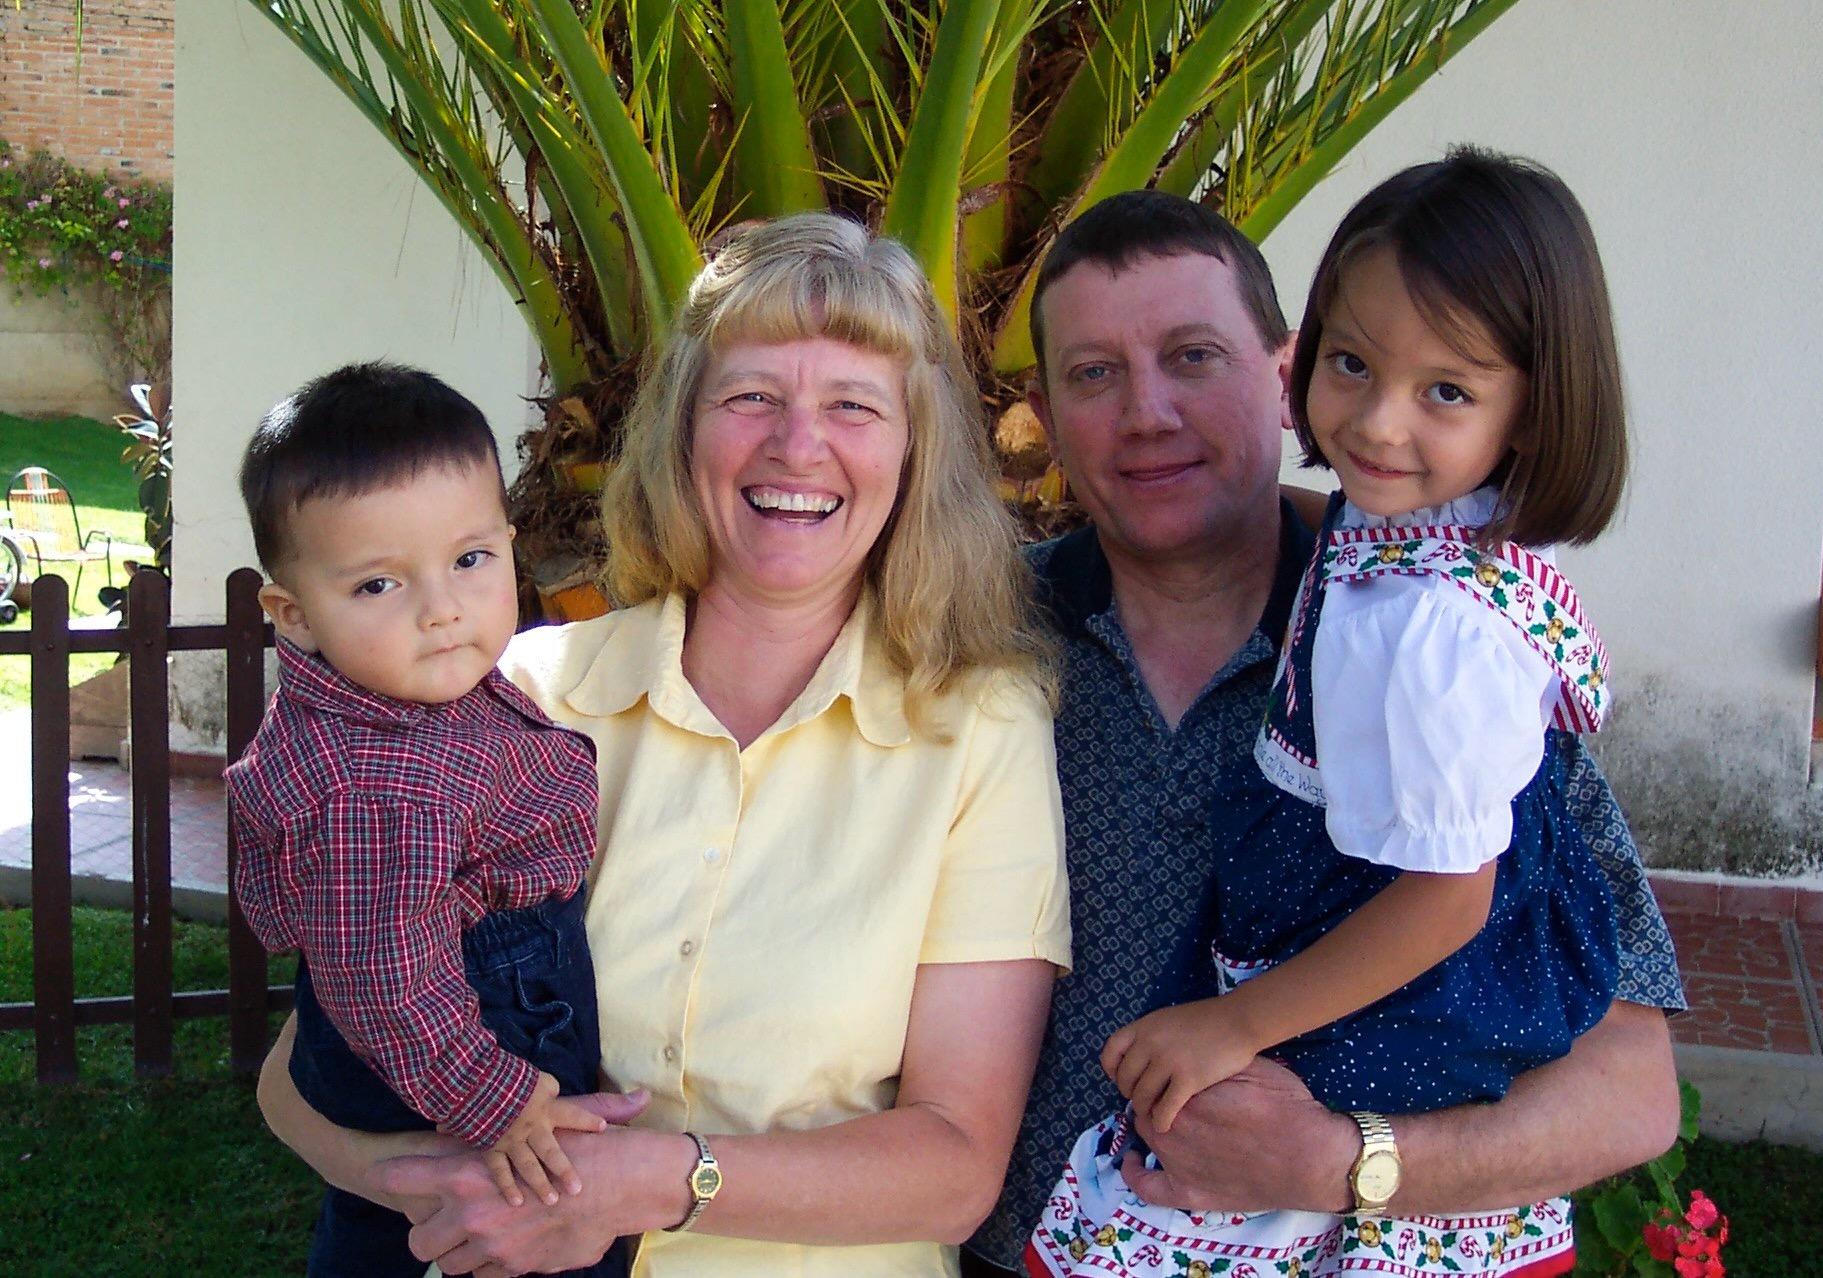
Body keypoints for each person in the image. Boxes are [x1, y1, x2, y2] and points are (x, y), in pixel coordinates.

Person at [253, 213, 1072, 1278]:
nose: (797, 444)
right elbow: (298, 1073)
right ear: (683, 426)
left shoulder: (979, 728)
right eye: (751, 397)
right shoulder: (521, 697)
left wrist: (647, 1185)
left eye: (853, 405)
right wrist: (456, 1191)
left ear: (914, 450)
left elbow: (957, 1167)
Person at [966, 189, 1685, 1273]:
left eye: (1193, 356)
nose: (1147, 411)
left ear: (1280, 369)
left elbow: (1635, 1092)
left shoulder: (1442, 646)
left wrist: (1345, 1162)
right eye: (1094, 373)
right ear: (1044, 407)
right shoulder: (973, 644)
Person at [227, 364, 621, 1277]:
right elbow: (384, 979)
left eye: (470, 560)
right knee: (498, 1231)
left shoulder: (411, 690)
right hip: (472, 1031)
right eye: (377, 587)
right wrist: (498, 1099)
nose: (442, 609)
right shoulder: (375, 791)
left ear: (508, 541)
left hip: (463, 1008)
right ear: (292, 615)